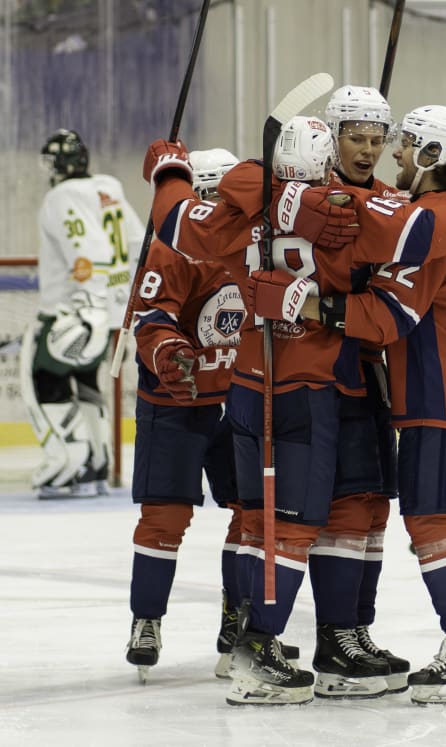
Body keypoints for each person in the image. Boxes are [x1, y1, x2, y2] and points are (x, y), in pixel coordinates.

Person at [141, 117, 446, 705]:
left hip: (297, 380)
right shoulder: (348, 208)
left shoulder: (246, 203)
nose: (371, 151)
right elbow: (418, 234)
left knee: (344, 510)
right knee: (292, 522)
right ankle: (257, 648)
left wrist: (170, 170)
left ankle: (337, 639)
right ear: (329, 156)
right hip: (306, 381)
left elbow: (177, 221)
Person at [266, 105, 446, 704]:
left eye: (401, 144)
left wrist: (307, 303)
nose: (391, 155)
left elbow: (383, 317)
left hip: (437, 393)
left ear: (429, 156)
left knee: (432, 522)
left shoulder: (429, 223)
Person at [124, 148, 301, 682]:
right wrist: (167, 353)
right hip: (175, 406)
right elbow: (150, 319)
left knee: (250, 516)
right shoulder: (172, 251)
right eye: (211, 196)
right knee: (164, 520)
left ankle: (237, 619)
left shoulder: (254, 246)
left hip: (240, 400)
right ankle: (146, 620)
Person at [307, 85, 410, 697]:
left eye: (378, 140)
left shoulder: (392, 198)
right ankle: (333, 635)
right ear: (332, 136)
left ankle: (357, 631)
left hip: (376, 372)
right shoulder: (308, 198)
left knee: (374, 504)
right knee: (346, 503)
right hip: (326, 370)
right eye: (357, 138)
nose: (369, 150)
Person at [20, 128, 144, 499]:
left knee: (42, 379)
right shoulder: (110, 188)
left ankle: (67, 463)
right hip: (112, 316)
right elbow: (139, 243)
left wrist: (89, 306)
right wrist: (122, 304)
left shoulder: (62, 196)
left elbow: (90, 255)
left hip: (74, 312)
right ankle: (97, 460)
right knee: (88, 384)